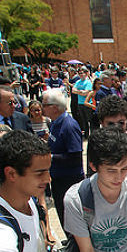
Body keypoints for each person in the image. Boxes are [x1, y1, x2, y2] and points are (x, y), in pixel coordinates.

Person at [41, 88, 84, 227]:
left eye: (44, 105)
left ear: (54, 107)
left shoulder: (69, 126)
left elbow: (75, 156)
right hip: (58, 178)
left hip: (69, 180)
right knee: (62, 213)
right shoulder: (54, 122)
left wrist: (50, 157)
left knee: (71, 216)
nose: (42, 108)